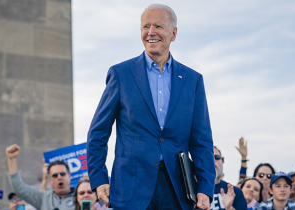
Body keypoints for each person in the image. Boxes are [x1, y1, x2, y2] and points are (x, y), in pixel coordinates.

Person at [87, 3, 215, 210]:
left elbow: (202, 141)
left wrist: (205, 187)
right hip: (130, 187)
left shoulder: (193, 80)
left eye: (158, 26)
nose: (151, 32)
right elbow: (98, 132)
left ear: (173, 33)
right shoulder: (121, 74)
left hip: (177, 190)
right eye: (146, 26)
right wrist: (99, 178)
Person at [5, 144, 75, 210]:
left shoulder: (80, 196)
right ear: (50, 181)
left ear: (69, 177)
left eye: (62, 174)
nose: (59, 177)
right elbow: (18, 188)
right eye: (55, 175)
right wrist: (11, 159)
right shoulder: (43, 198)